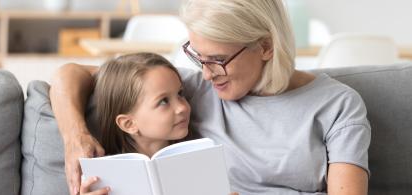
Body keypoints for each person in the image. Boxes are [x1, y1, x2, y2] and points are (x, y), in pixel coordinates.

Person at [50, 0, 371, 194]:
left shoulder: (337, 106)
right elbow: (70, 73)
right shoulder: (188, 91)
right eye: (197, 57)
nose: (205, 74)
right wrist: (74, 135)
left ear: (265, 46)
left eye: (217, 60)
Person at [79, 53, 193, 194]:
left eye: (180, 94)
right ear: (129, 124)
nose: (182, 107)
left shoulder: (198, 158)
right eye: (163, 101)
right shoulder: (99, 177)